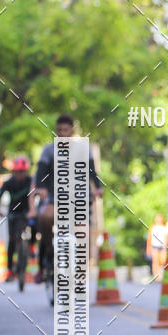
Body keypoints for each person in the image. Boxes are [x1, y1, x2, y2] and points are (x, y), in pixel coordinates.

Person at [31, 114, 103, 282]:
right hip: (55, 197)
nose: (62, 133)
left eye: (65, 130)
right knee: (45, 217)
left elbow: (92, 171)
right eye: (59, 130)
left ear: (72, 131)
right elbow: (40, 172)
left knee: (83, 230)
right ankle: (50, 249)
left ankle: (80, 267)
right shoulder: (49, 151)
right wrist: (40, 189)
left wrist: (98, 189)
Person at [0, 157, 36, 281]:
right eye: (18, 172)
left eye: (22, 172)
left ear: (26, 171)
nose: (20, 175)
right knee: (12, 241)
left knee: (35, 227)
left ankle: (31, 249)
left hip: (26, 213)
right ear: (14, 172)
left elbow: (36, 193)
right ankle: (10, 270)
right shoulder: (9, 182)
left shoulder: (30, 181)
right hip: (13, 213)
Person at [145, 214, 168, 278]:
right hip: (154, 246)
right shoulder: (152, 227)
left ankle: (160, 274)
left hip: (162, 247)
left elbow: (166, 238)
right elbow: (149, 238)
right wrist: (148, 248)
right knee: (155, 261)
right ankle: (157, 275)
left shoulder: (164, 227)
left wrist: (165, 247)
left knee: (163, 261)